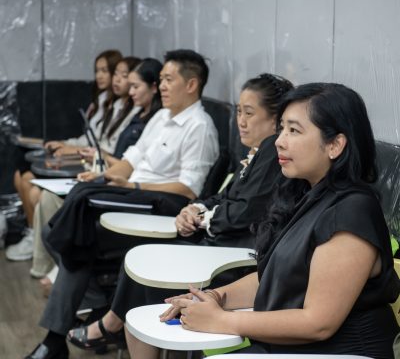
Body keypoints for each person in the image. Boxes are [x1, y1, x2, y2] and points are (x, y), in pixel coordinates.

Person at [131, 83, 400, 359]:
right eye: (281, 128)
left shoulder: (352, 211)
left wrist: (222, 320)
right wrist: (214, 297)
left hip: (343, 353)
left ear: (335, 145)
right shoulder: (306, 196)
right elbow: (273, 279)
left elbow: (318, 323)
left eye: (294, 130)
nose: (280, 141)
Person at [67, 73, 293, 353]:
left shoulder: (271, 150)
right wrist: (195, 208)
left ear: (275, 120)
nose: (241, 122)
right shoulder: (257, 152)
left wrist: (201, 218)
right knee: (140, 263)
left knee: (144, 273)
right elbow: (224, 197)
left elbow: (244, 212)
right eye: (238, 112)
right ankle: (112, 324)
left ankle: (111, 324)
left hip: (235, 256)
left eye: (249, 113)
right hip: (219, 244)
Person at [24, 49, 219, 359]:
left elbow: (188, 188)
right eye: (161, 79)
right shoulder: (161, 117)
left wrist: (133, 186)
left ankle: (58, 338)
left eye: (168, 79)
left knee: (76, 236)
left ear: (191, 84)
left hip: (158, 207)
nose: (162, 86)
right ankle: (102, 307)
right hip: (132, 195)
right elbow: (131, 160)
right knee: (63, 228)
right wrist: (105, 178)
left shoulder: (199, 126)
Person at [30, 58, 163, 283]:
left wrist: (109, 170)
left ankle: (62, 271)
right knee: (52, 196)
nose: (129, 90)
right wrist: (102, 173)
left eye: (134, 84)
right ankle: (55, 268)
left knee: (59, 201)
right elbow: (128, 161)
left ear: (153, 87)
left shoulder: (168, 122)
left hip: (132, 191)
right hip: (118, 180)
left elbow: (142, 172)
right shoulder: (146, 118)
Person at [7, 50, 123, 262]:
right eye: (97, 71)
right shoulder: (101, 102)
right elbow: (89, 139)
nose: (101, 76)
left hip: (95, 168)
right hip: (87, 160)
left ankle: (42, 245)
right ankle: (33, 234)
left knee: (33, 189)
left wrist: (71, 149)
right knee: (20, 174)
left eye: (106, 71)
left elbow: (103, 149)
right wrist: (66, 144)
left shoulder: (122, 109)